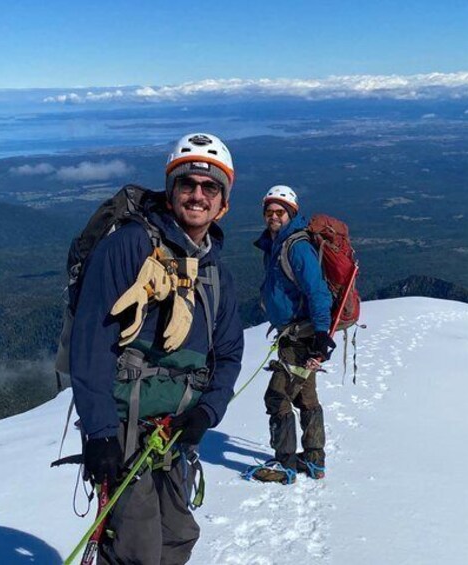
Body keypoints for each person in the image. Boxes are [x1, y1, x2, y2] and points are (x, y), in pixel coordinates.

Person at [70, 133, 244, 564]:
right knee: (137, 547)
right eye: (187, 183)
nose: (198, 195)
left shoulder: (216, 274)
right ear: (170, 191)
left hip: (173, 434)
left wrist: (206, 413)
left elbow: (228, 354)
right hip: (124, 430)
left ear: (223, 203)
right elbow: (91, 343)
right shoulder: (128, 247)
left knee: (178, 536)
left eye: (210, 187)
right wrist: (100, 433)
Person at [247, 185, 334, 485]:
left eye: (280, 212)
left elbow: (318, 292)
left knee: (277, 396)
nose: (273, 216)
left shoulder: (296, 247)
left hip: (300, 336)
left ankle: (285, 463)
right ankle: (314, 460)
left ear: (291, 214)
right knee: (306, 396)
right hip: (298, 334)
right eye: (269, 211)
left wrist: (321, 334)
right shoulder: (277, 244)